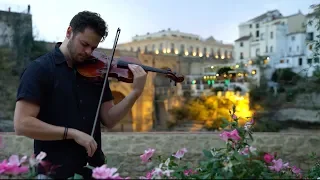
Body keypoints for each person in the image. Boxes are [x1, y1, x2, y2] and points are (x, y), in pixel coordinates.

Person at [13, 11, 147, 179]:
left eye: (93, 47)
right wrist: (72, 133)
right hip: (54, 173)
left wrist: (135, 92)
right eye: (84, 44)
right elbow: (22, 124)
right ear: (69, 32)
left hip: (93, 170)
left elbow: (110, 119)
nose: (89, 52)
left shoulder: (98, 73)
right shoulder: (40, 70)